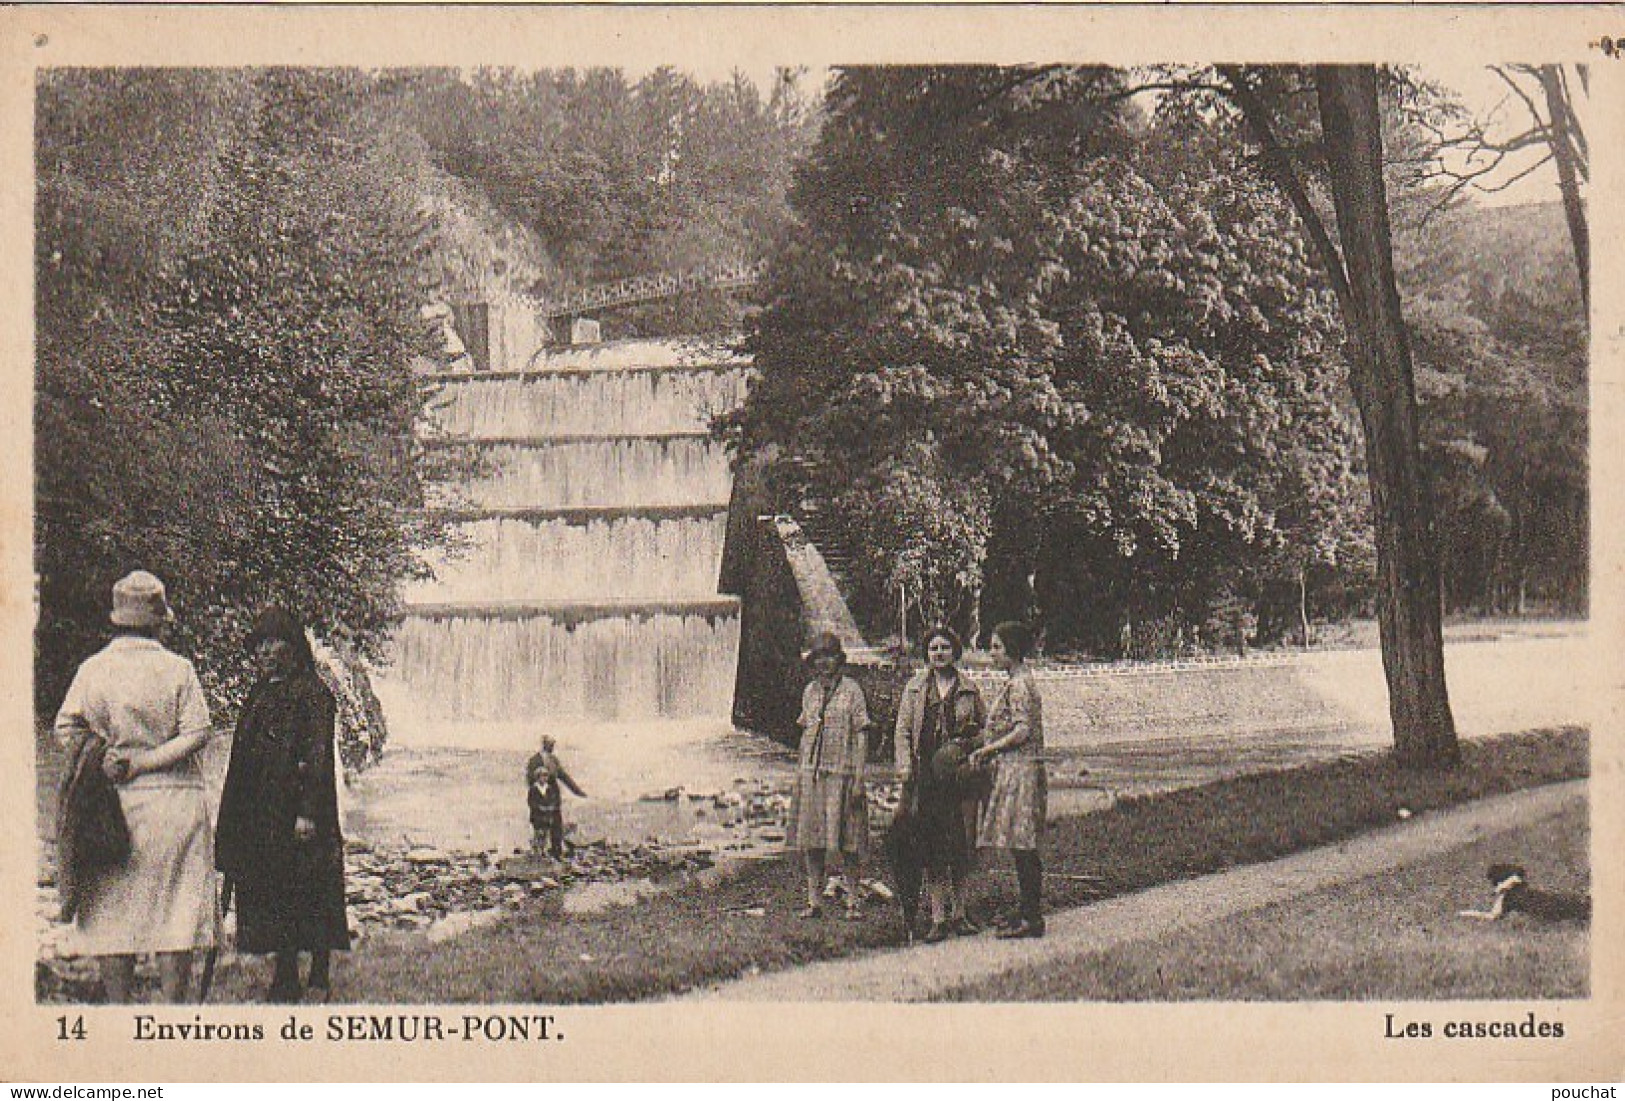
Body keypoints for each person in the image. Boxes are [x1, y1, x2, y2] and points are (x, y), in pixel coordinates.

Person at [52, 570, 218, 1003]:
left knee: (113, 909)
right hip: (175, 802)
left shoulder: (93, 669)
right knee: (176, 909)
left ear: (117, 620)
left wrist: (105, 756)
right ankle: (173, 1009)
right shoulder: (178, 669)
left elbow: (66, 727)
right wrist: (147, 761)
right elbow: (198, 732)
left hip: (113, 805)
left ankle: (120, 1008)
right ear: (159, 622)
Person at [215, 608, 350, 1003]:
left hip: (302, 813)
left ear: (293, 647)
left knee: (312, 887)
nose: (266, 652)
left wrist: (308, 811)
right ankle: (286, 973)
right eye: (260, 645)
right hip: (264, 814)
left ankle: (320, 974)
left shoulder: (314, 693)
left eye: (275, 643)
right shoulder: (260, 694)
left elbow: (319, 755)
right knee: (276, 891)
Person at [892, 625, 986, 943]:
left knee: (960, 846)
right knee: (931, 846)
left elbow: (983, 733)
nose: (939, 653)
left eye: (945, 647)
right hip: (926, 777)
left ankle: (959, 912)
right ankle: (937, 918)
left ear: (955, 652)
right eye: (933, 648)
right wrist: (904, 766)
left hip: (957, 776)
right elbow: (903, 731)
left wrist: (968, 750)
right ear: (927, 654)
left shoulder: (969, 689)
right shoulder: (916, 688)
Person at [969, 620, 1047, 939]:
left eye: (997, 647)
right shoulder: (1016, 679)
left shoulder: (1019, 684)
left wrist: (989, 749)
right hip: (1017, 767)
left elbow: (1022, 729)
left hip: (1021, 769)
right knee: (1020, 844)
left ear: (1012, 650)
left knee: (1023, 845)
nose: (992, 653)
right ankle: (1026, 909)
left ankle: (1032, 916)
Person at [785, 632, 871, 920]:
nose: (824, 662)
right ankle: (814, 901)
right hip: (811, 774)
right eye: (818, 657)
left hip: (842, 773)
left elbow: (861, 734)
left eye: (829, 656)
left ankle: (854, 901)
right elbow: (805, 730)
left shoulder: (852, 690)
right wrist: (800, 772)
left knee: (849, 840)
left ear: (840, 660)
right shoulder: (810, 691)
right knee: (812, 840)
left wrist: (859, 776)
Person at [526, 736, 586, 859]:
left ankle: (556, 852)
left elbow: (564, 777)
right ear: (544, 744)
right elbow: (529, 779)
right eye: (550, 744)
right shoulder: (534, 760)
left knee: (556, 824)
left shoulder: (554, 760)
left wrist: (578, 792)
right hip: (540, 796)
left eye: (553, 744)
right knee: (540, 825)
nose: (552, 747)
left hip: (553, 795)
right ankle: (539, 853)